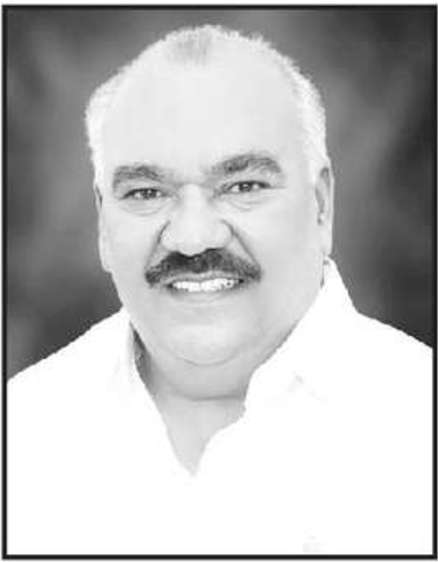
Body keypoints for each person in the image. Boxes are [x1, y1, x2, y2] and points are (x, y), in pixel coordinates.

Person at [8, 25, 432, 555]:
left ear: (321, 205)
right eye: (146, 192)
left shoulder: (421, 421)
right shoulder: (22, 429)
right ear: (102, 224)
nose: (192, 237)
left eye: (243, 186)